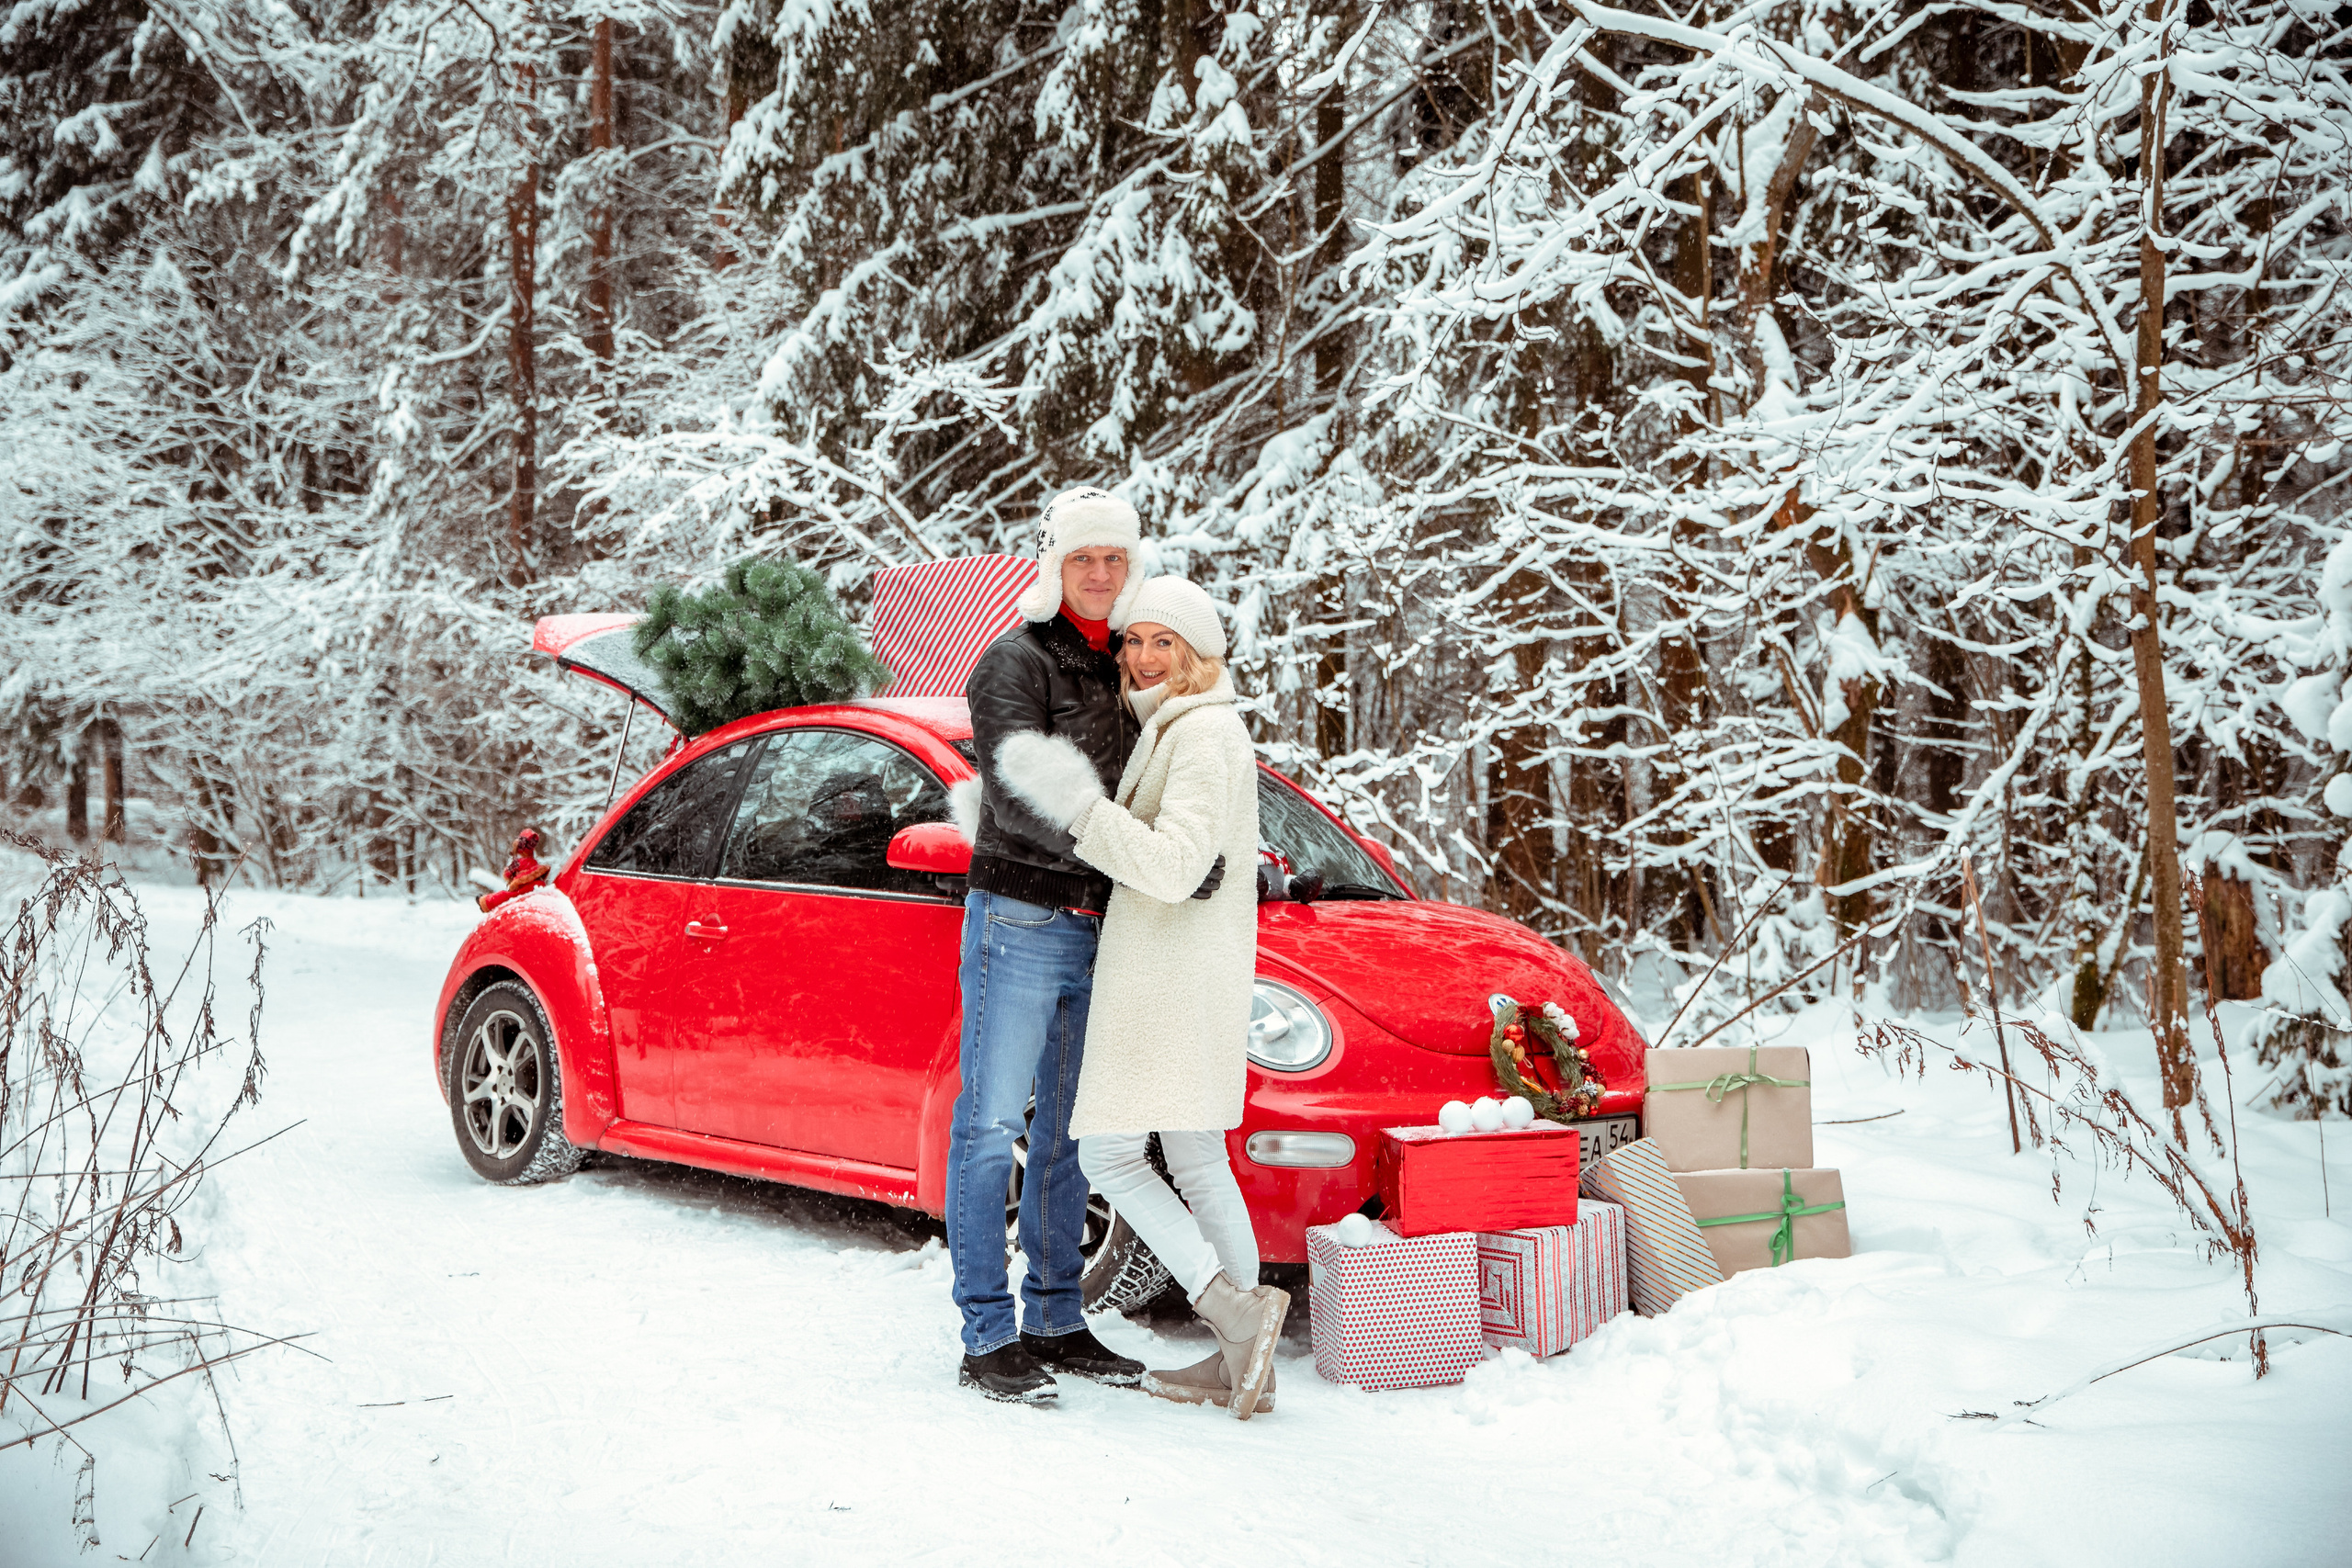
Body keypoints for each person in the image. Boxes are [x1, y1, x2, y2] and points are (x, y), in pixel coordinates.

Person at [997, 577, 1287, 1419]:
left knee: (1110, 1156)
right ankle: (1245, 1362)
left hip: (1167, 981)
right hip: (1192, 975)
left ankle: (1231, 1308)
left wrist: (1083, 810)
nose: (1143, 656)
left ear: (1200, 655)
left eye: (1166, 642)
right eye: (1134, 640)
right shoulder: (1186, 728)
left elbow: (1173, 865)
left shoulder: (1201, 735)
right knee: (1196, 1157)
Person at [944, 486, 1155, 1404]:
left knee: (1073, 1129)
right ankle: (987, 1335)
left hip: (1107, 926)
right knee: (991, 1126)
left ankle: (1057, 1319)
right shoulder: (1014, 659)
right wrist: (1131, 854)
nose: (1100, 573)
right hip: (1021, 917)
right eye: (1083, 558)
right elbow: (1022, 793)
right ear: (1054, 566)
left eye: (1114, 557)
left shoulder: (1140, 663)